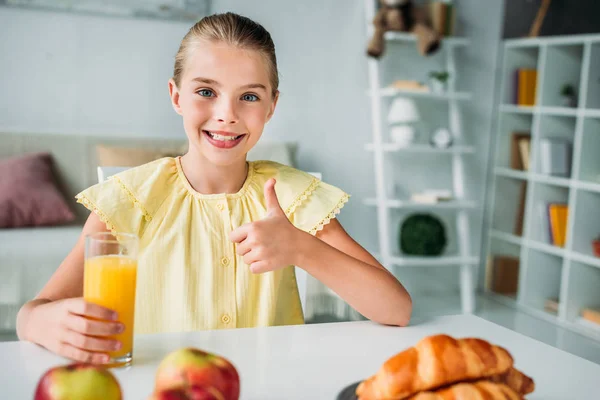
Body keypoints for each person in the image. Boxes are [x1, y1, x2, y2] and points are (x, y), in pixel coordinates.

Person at [16, 12, 412, 364]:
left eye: (250, 97)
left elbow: (396, 309)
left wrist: (301, 247)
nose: (226, 115)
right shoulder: (131, 199)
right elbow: (34, 312)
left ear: (272, 106)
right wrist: (39, 320)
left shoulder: (290, 194)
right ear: (176, 96)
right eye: (206, 92)